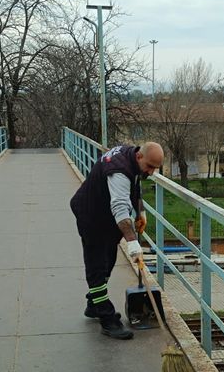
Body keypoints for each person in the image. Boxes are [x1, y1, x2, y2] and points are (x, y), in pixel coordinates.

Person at [69, 142, 165, 339]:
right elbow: (120, 206)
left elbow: (135, 185)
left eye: (155, 168)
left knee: (109, 259)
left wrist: (140, 211)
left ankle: (93, 304)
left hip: (106, 217)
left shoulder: (132, 156)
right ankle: (107, 319)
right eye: (150, 167)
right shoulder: (119, 171)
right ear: (140, 157)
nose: (151, 172)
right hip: (91, 215)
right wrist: (132, 243)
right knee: (97, 266)